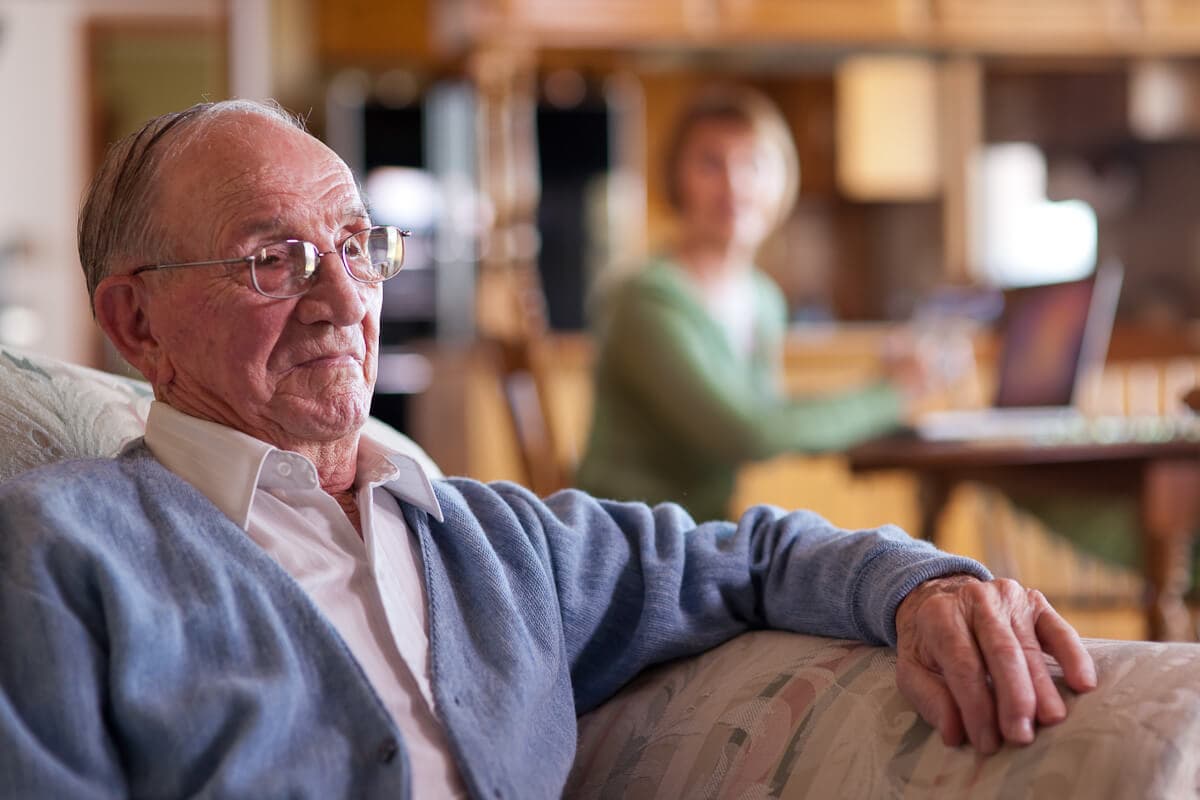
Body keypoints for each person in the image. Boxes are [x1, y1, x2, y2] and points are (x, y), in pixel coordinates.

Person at [0, 100, 1095, 799]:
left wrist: (922, 584)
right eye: (270, 260)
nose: (345, 299)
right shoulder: (57, 548)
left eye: (354, 245)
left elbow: (750, 559)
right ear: (135, 322)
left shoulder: (494, 537)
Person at [576, 85, 922, 522]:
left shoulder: (763, 300)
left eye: (755, 164)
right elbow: (749, 431)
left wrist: (881, 389)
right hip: (622, 544)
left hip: (704, 537)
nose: (734, 184)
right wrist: (891, 395)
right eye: (710, 163)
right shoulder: (645, 299)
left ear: (783, 181)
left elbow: (770, 420)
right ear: (674, 177)